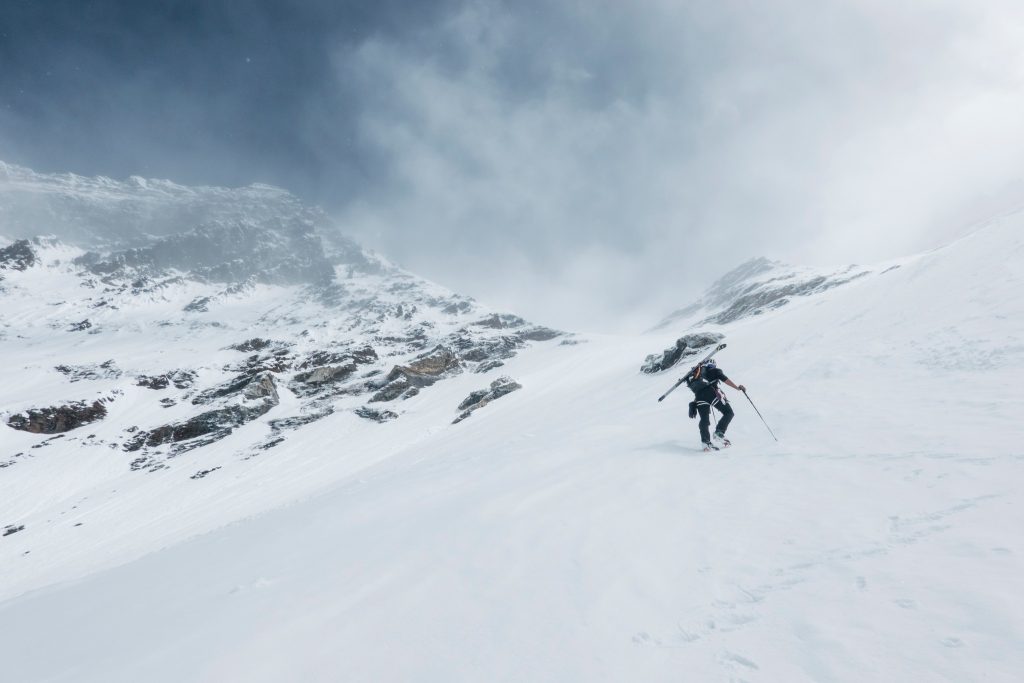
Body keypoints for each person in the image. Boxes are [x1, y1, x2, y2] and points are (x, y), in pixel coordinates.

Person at [684, 359, 746, 450]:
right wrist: (737, 388)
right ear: (713, 365)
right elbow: (725, 379)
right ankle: (719, 432)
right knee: (728, 412)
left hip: (698, 396)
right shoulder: (715, 371)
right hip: (711, 393)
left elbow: (700, 388)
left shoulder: (699, 374)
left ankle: (705, 442)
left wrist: (694, 402)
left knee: (704, 419)